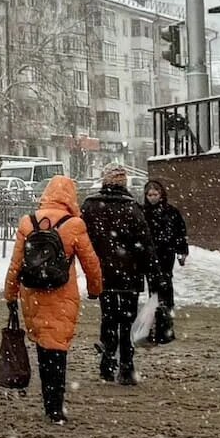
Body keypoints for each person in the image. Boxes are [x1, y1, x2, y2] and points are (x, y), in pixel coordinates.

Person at [4, 175, 103, 424]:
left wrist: (10, 294)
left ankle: (49, 398)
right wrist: (95, 289)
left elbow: (16, 265)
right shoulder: (74, 225)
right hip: (62, 294)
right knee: (57, 349)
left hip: (33, 293)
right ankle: (55, 407)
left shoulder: (29, 222)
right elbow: (91, 263)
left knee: (42, 345)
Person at [82, 163, 159, 386]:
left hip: (103, 272)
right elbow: (145, 244)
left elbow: (83, 240)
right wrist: (152, 273)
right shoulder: (133, 208)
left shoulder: (91, 206)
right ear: (124, 182)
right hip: (129, 275)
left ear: (104, 181)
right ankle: (126, 366)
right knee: (127, 320)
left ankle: (107, 364)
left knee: (108, 317)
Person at [142, 180, 189, 344]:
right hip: (150, 258)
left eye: (155, 194)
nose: (152, 198)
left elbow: (180, 233)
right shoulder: (143, 212)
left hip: (165, 257)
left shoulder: (171, 212)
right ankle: (155, 329)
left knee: (165, 292)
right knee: (154, 294)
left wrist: (182, 251)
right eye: (150, 195)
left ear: (161, 195)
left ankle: (165, 329)